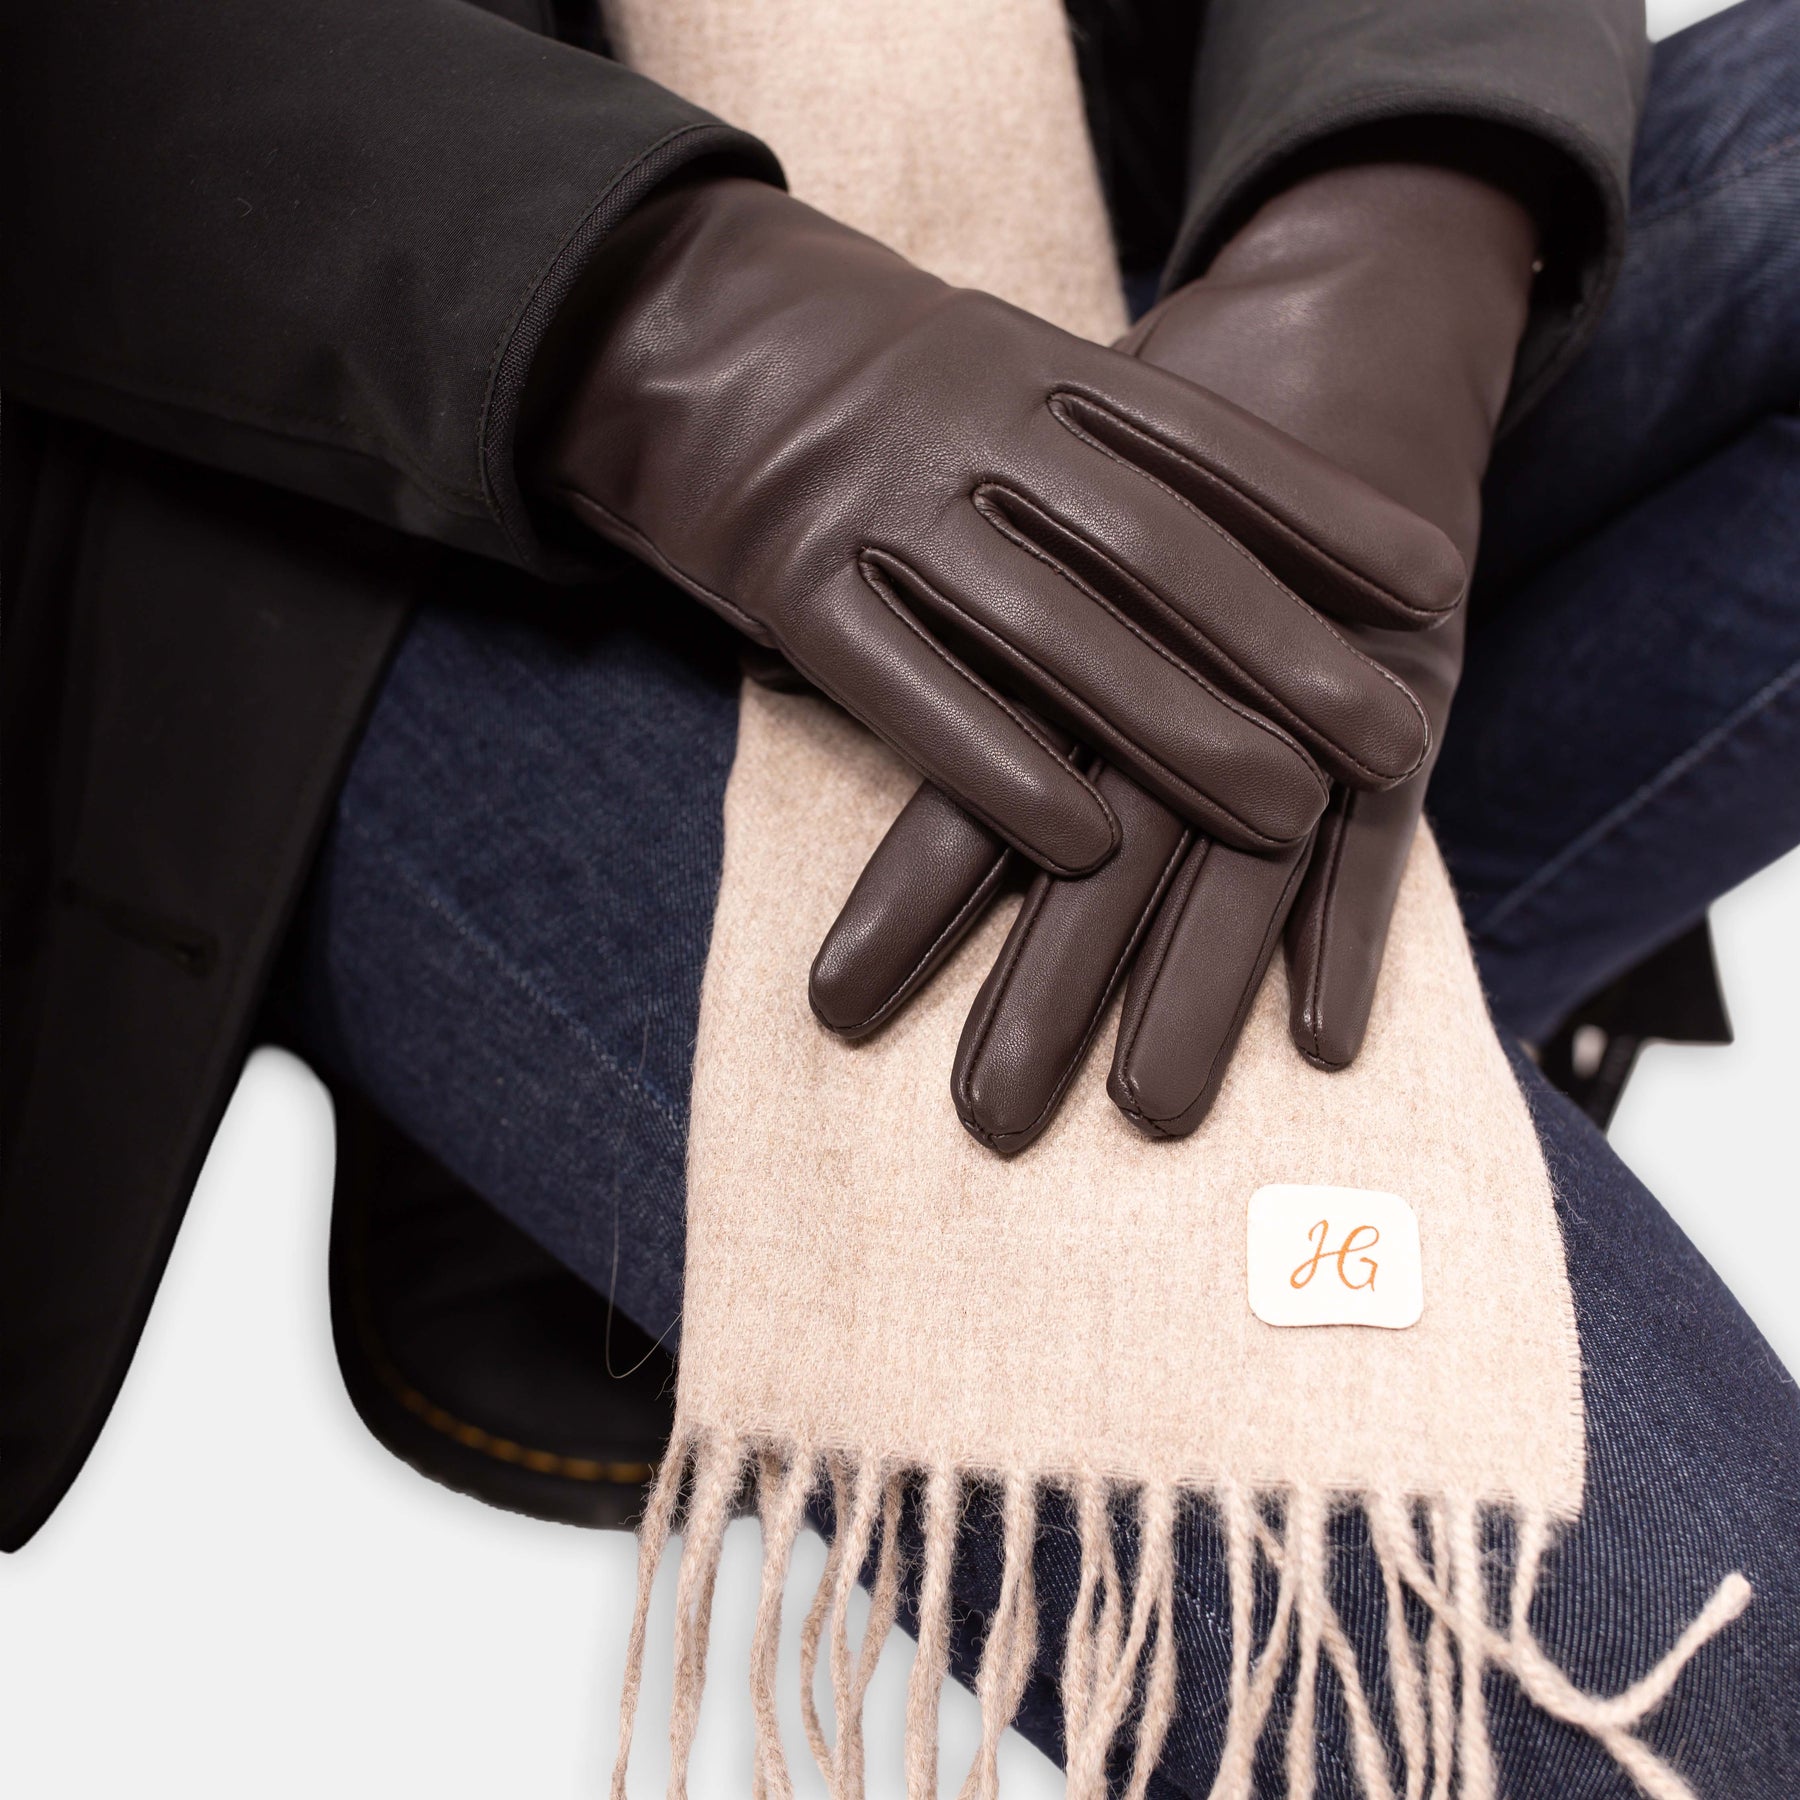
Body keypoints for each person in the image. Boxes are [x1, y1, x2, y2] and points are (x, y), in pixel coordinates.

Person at [3, 0, 1797, 1788]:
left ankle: (1283, 944)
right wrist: (689, 340)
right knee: (1691, 1672)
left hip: (1138, 248)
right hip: (403, 403)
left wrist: (1402, 220)